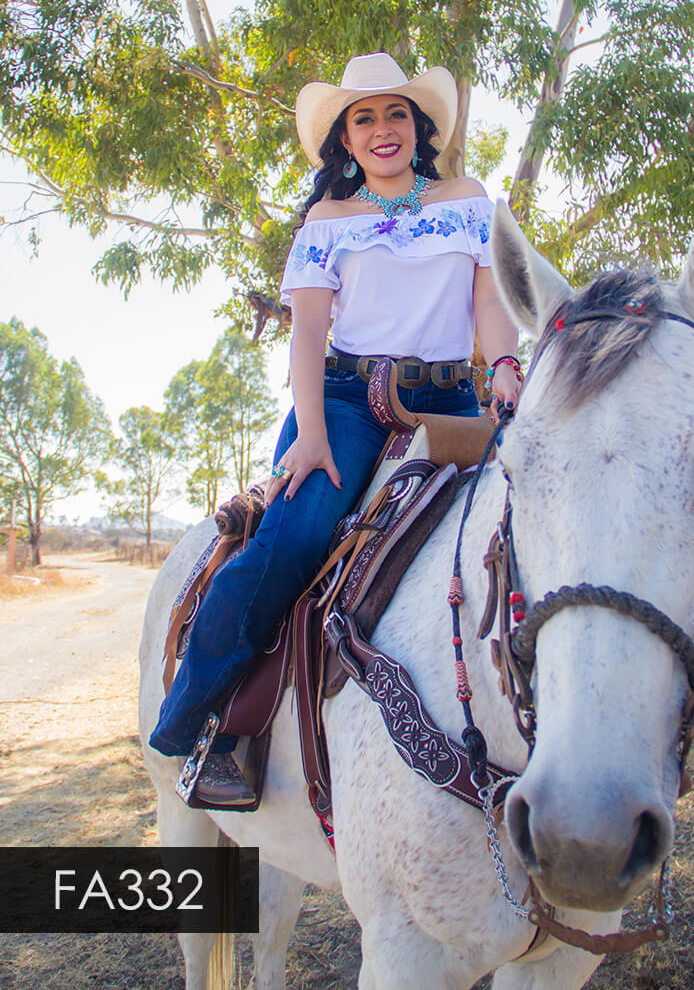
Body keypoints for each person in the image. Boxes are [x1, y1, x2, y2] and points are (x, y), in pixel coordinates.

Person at [149, 52, 522, 805]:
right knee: (291, 541)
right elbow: (309, 334)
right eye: (363, 118)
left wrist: (507, 366)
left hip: (448, 399)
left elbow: (488, 304)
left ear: (420, 131)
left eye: (394, 114)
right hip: (347, 401)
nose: (381, 129)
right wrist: (309, 434)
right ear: (344, 142)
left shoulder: (468, 200)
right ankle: (202, 723)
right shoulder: (327, 221)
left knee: (520, 516)